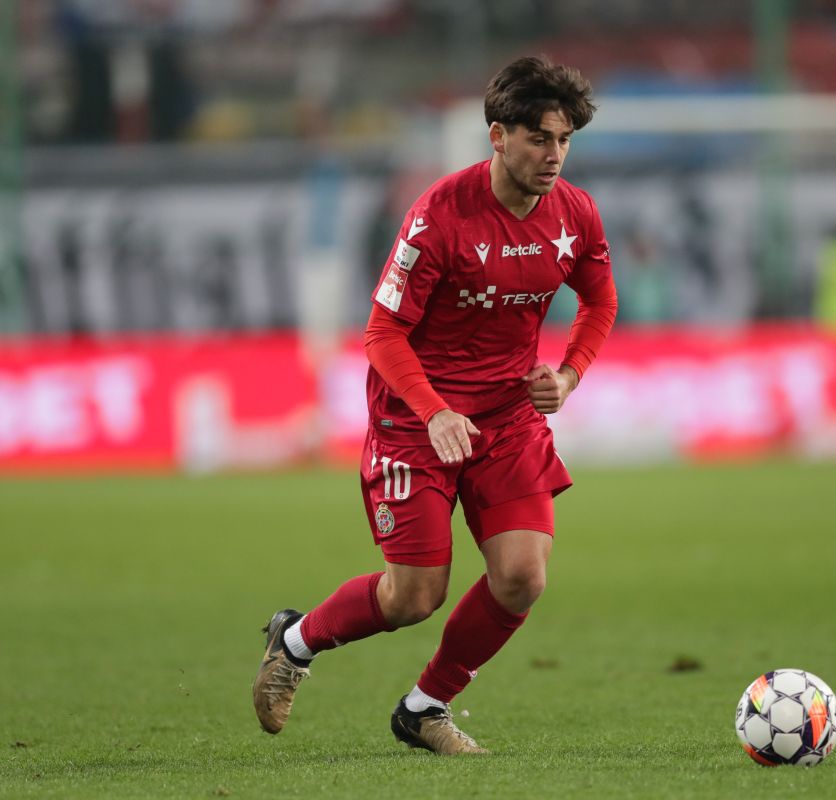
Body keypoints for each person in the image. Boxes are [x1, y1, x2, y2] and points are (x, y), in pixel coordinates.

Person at [252, 56, 618, 755]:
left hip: (507, 418)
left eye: (564, 140)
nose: (554, 156)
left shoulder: (575, 213)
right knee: (414, 597)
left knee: (522, 577)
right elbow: (381, 332)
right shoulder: (439, 216)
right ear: (498, 136)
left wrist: (570, 375)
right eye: (539, 138)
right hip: (415, 420)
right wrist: (433, 411)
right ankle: (295, 641)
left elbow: (600, 301)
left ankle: (425, 707)